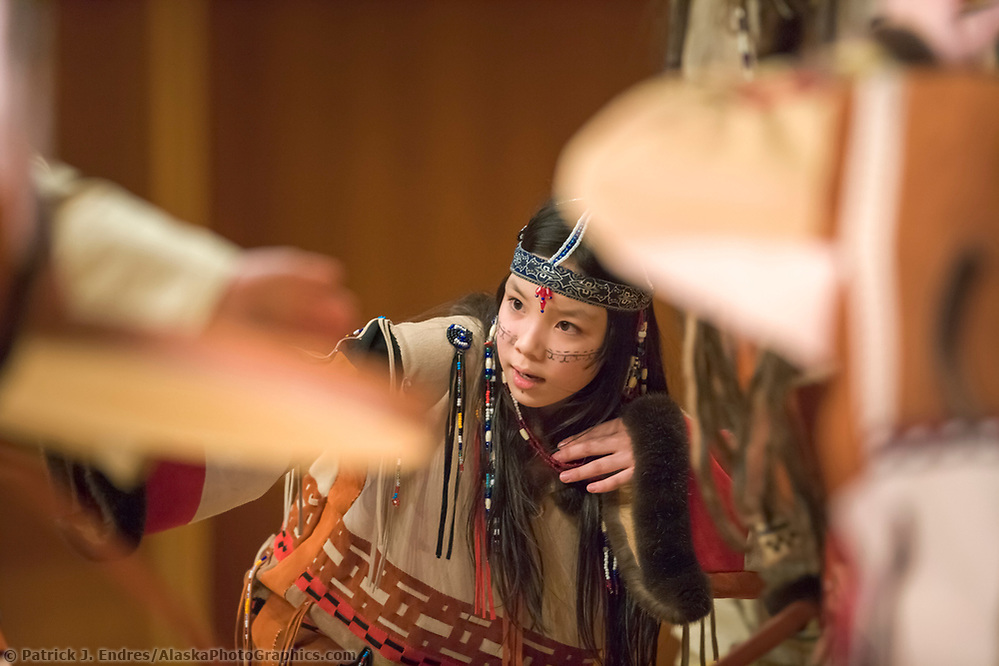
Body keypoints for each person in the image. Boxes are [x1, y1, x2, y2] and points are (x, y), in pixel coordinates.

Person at [133, 201, 712, 665]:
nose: (527, 343)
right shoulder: (455, 354)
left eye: (565, 323)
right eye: (516, 304)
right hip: (342, 643)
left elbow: (739, 554)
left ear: (621, 345)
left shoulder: (632, 441)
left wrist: (668, 453)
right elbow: (304, 405)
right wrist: (130, 467)